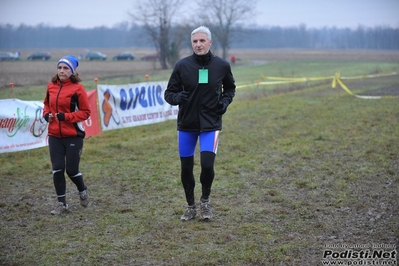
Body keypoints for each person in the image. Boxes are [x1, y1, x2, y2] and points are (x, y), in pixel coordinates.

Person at [164, 26, 236, 221]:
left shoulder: (221, 66)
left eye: (202, 41)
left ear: (210, 42)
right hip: (187, 125)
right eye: (195, 41)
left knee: (206, 165)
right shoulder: (182, 66)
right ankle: (190, 206)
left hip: (211, 124)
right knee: (186, 168)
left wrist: (224, 102)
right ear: (191, 44)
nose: (198, 44)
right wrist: (178, 97)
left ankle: (205, 202)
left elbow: (230, 89)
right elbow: (168, 94)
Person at [43, 55, 91, 215]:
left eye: (65, 68)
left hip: (73, 135)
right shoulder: (51, 86)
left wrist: (67, 117)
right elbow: (46, 105)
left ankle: (82, 189)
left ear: (72, 72)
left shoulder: (78, 89)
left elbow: (86, 113)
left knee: (71, 170)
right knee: (57, 169)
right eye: (59, 67)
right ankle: (61, 204)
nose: (61, 71)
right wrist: (47, 115)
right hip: (55, 135)